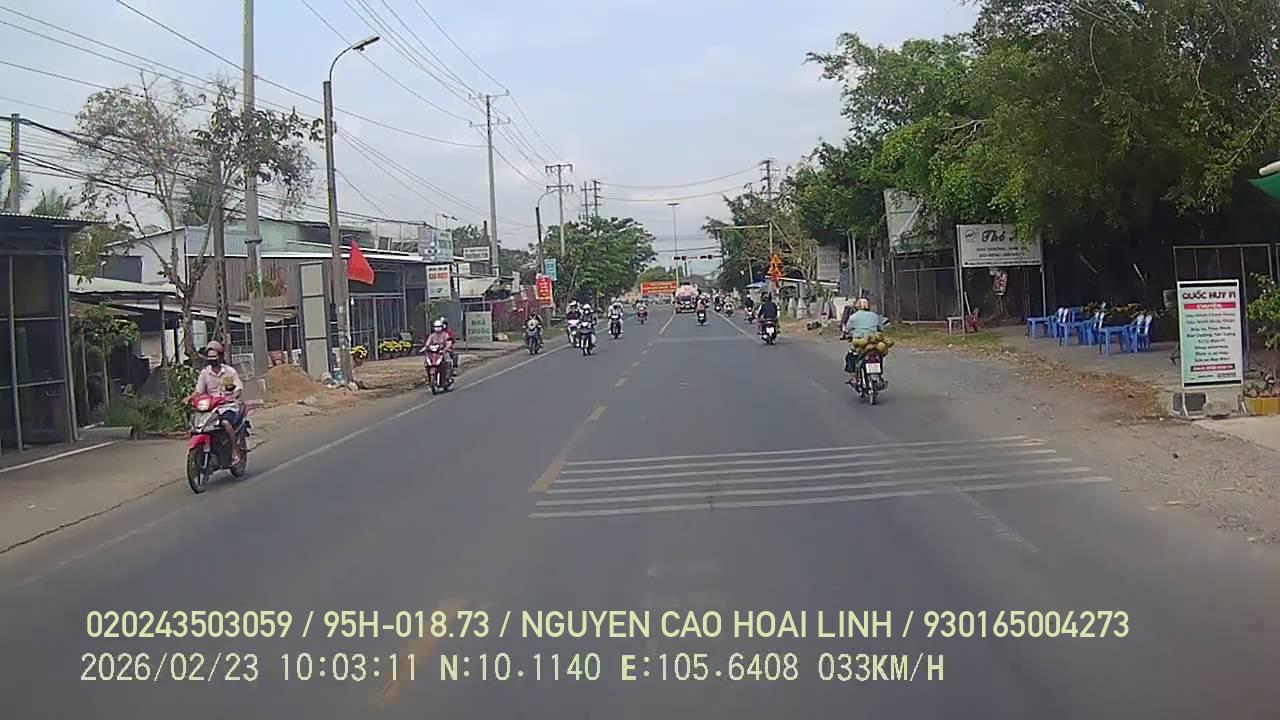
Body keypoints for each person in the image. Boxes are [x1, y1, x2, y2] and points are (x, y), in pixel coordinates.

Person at [189, 341, 244, 465]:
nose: (212, 359)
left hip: (228, 406)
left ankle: (234, 450)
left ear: (220, 356)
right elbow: (198, 391)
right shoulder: (205, 373)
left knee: (225, 423)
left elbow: (238, 388)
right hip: (211, 407)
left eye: (215, 356)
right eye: (210, 357)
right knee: (197, 424)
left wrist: (233, 396)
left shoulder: (229, 372)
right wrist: (189, 398)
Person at [843, 298, 886, 383]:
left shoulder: (854, 317)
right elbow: (881, 328)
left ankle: (854, 377)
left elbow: (847, 329)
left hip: (860, 341)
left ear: (858, 306)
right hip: (873, 342)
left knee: (850, 357)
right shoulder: (875, 316)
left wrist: (847, 334)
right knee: (879, 355)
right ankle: (879, 374)